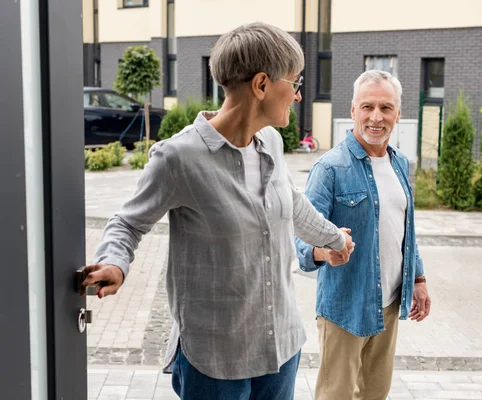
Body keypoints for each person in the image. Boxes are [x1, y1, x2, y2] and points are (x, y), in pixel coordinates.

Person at [80, 22, 355, 400]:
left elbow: (291, 202)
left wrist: (335, 239)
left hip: (281, 345)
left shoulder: (272, 142)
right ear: (261, 85)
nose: (297, 95)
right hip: (215, 359)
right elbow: (127, 223)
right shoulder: (178, 157)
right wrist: (115, 262)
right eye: (294, 82)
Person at [294, 70, 431, 400]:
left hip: (388, 304)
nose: (376, 117)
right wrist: (324, 252)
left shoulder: (400, 164)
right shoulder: (330, 168)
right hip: (345, 308)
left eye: (385, 108)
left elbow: (404, 230)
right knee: (335, 396)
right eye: (367, 106)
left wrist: (419, 278)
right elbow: (300, 240)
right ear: (353, 110)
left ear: (398, 114)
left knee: (374, 395)